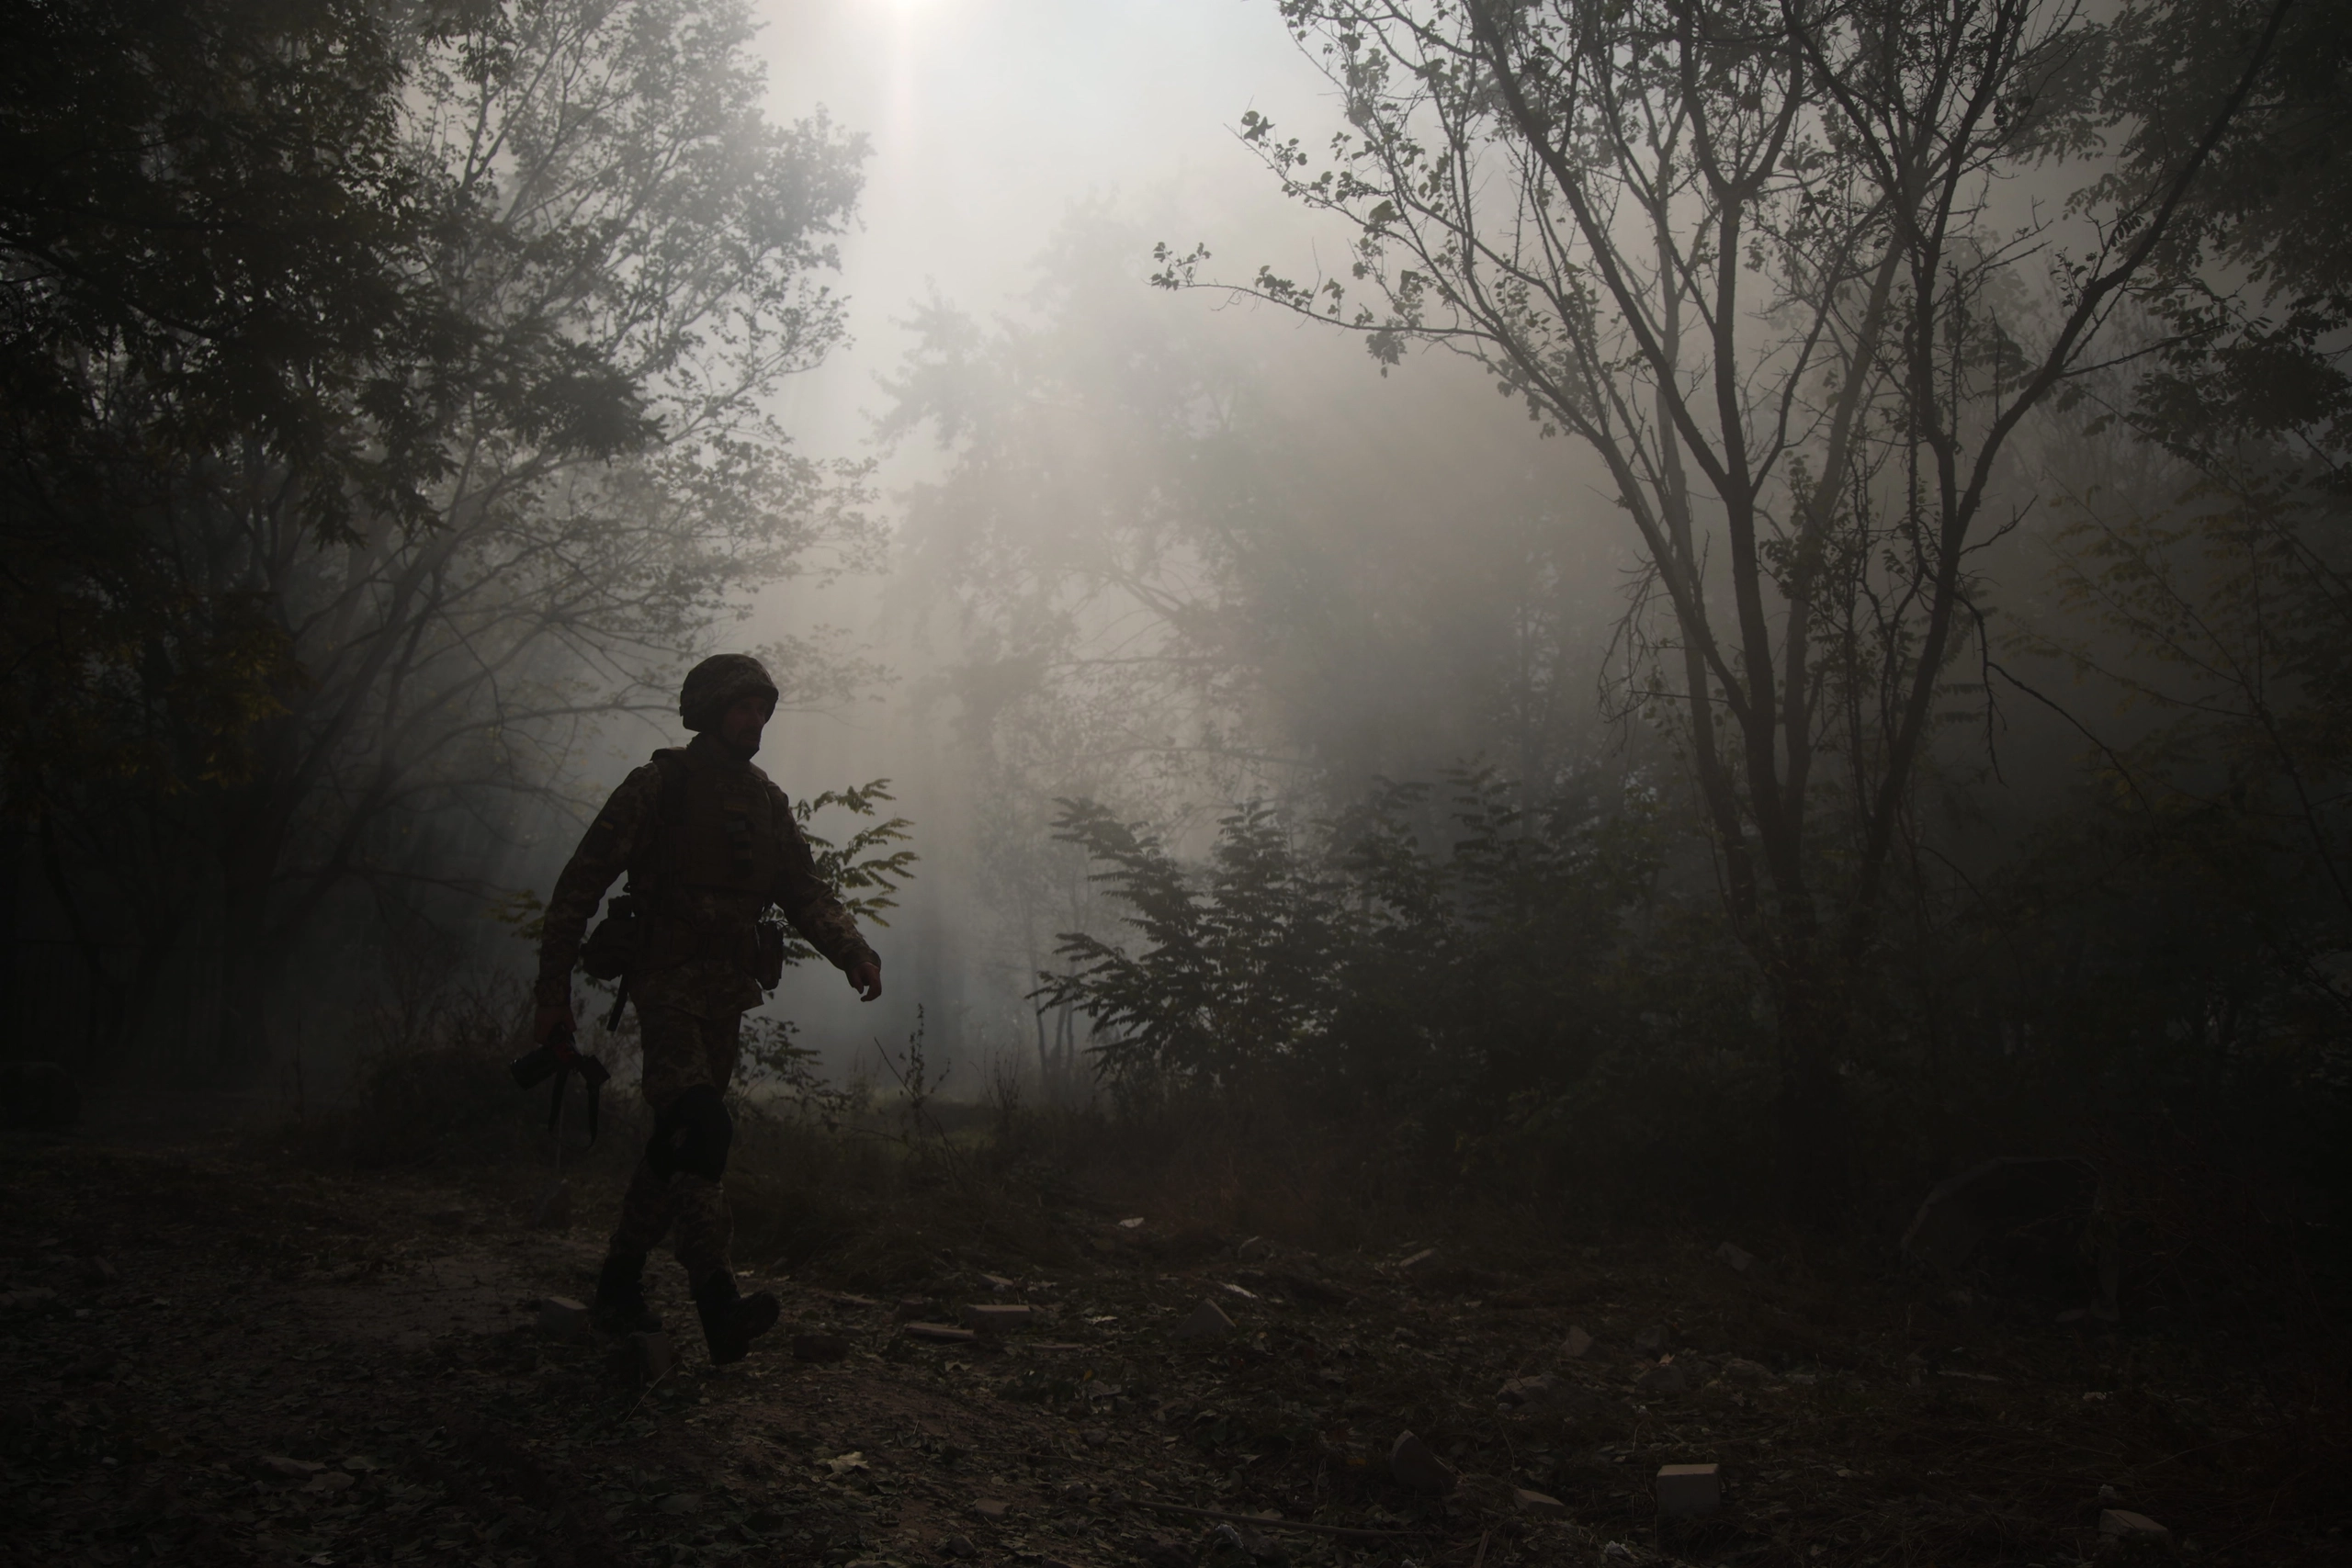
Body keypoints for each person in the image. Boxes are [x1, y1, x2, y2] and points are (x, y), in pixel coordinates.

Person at [532, 653, 883, 1363]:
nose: (754, 720)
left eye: (762, 708)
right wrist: (552, 992)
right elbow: (581, 882)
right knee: (703, 1123)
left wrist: (854, 950)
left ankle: (619, 1281)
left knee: (679, 1143)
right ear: (709, 710)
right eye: (741, 707)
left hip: (727, 995)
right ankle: (716, 1297)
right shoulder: (657, 787)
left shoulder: (764, 800)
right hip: (664, 984)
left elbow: (805, 891)